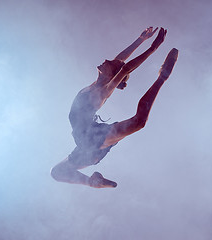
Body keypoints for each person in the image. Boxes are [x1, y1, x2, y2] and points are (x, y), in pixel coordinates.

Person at [51, 27, 178, 188]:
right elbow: (120, 62)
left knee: (139, 122)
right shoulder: (95, 85)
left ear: (112, 75)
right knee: (56, 172)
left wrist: (153, 48)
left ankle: (162, 77)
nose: (107, 59)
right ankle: (92, 182)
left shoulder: (102, 92)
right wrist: (140, 39)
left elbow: (125, 68)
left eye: (110, 64)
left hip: (92, 138)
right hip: (85, 143)